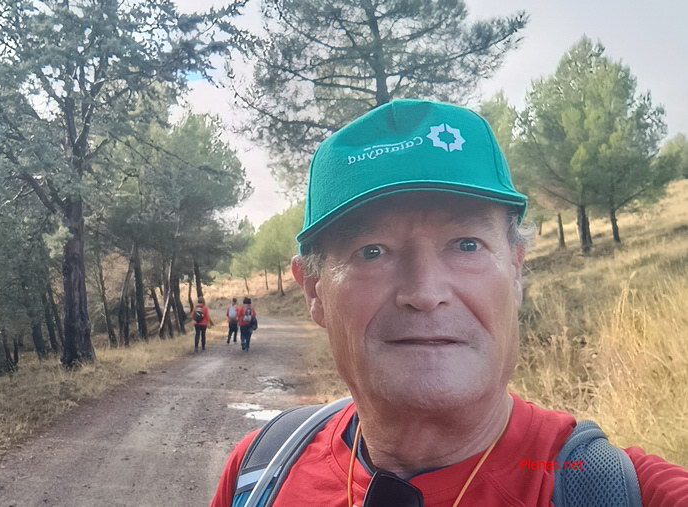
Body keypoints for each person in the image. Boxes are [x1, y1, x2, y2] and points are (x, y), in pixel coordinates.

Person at [211, 100, 688, 506]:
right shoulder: (260, 473)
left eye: (466, 245)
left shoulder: (615, 490)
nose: (424, 293)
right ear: (315, 291)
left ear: (516, 270)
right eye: (372, 252)